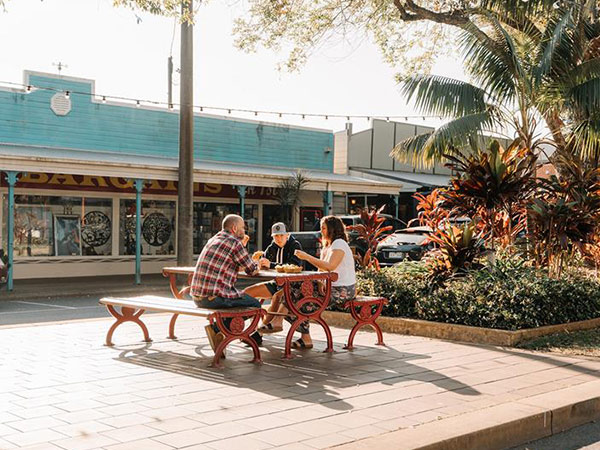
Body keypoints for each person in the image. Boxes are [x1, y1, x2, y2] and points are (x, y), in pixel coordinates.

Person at [268, 215, 356, 349]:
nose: (321, 231)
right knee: (294, 293)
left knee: (299, 301)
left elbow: (330, 266)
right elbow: (322, 269)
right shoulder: (329, 245)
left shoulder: (339, 244)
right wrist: (320, 282)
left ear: (332, 229)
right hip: (330, 287)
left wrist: (306, 257)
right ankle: (302, 337)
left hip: (343, 290)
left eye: (324, 228)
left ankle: (280, 321)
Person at [190, 214, 262, 353]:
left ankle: (220, 333)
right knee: (256, 305)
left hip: (197, 297)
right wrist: (258, 263)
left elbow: (232, 262)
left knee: (242, 300)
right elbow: (252, 270)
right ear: (234, 228)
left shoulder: (214, 239)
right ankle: (217, 330)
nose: (244, 231)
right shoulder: (234, 242)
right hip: (213, 298)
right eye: (242, 228)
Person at [243, 222, 303, 333]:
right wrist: (259, 263)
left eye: (281, 235)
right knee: (246, 293)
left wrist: (271, 264)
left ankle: (258, 332)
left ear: (287, 235)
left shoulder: (295, 245)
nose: (279, 238)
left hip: (292, 285)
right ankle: (241, 321)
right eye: (276, 236)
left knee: (277, 297)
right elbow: (263, 264)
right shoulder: (271, 247)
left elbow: (294, 265)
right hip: (276, 283)